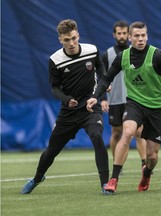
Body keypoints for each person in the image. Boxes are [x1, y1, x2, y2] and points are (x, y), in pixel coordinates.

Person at [87, 21, 161, 193]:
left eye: (143, 36)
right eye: (136, 36)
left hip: (156, 107)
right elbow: (106, 78)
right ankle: (113, 179)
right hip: (134, 103)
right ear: (129, 37)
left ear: (147, 36)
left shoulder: (158, 55)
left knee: (152, 156)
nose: (140, 39)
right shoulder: (123, 57)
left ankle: (147, 173)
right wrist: (95, 97)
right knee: (127, 132)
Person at [21, 19, 110, 195]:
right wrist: (66, 99)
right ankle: (37, 178)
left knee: (97, 136)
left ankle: (105, 184)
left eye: (74, 38)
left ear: (78, 35)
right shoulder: (55, 60)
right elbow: (54, 87)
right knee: (51, 151)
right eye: (66, 40)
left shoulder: (91, 50)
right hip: (68, 112)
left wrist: (99, 95)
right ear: (60, 40)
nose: (71, 43)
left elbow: (102, 74)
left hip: (90, 108)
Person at [101, 20, 146, 170]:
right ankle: (117, 163)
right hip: (114, 100)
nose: (121, 36)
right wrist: (102, 99)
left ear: (129, 35)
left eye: (124, 33)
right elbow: (102, 78)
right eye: (118, 33)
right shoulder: (107, 55)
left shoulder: (138, 53)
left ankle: (144, 164)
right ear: (114, 35)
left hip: (134, 99)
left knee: (139, 132)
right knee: (116, 133)